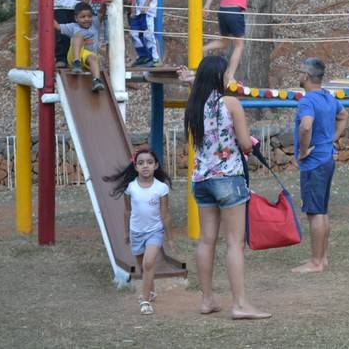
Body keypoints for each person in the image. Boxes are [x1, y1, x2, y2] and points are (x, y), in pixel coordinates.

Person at [184, 55, 270, 320]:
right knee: (234, 242)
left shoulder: (194, 105)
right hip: (229, 178)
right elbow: (245, 143)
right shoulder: (230, 103)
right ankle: (240, 304)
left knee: (206, 240)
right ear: (219, 76)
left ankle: (207, 299)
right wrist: (252, 142)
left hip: (201, 179)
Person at [291, 58, 348, 274]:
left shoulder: (307, 100)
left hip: (314, 163)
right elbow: (343, 116)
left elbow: (306, 126)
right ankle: (322, 259)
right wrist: (332, 137)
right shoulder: (327, 97)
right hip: (327, 159)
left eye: (299, 72)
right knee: (322, 211)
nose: (298, 75)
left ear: (306, 76)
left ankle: (315, 262)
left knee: (314, 212)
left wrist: (303, 151)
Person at [104, 148, 176, 315]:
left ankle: (144, 300)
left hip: (154, 231)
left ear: (156, 165)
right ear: (135, 167)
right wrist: (126, 232)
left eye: (150, 163)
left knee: (148, 263)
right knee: (143, 267)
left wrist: (170, 238)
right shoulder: (130, 188)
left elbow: (165, 215)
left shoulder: (161, 188)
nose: (145, 166)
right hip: (136, 232)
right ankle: (151, 290)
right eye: (141, 163)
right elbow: (127, 211)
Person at [202, 0, 280, 85]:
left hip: (222, 11)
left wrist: (207, 5)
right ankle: (229, 76)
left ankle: (202, 49)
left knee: (225, 42)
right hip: (234, 12)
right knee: (239, 46)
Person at [53, 1, 106, 92]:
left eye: (89, 16)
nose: (86, 19)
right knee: (79, 36)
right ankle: (76, 62)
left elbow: (101, 12)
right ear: (76, 18)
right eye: (82, 17)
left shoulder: (95, 24)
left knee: (93, 57)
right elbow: (57, 26)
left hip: (88, 59)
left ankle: (96, 80)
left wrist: (104, 3)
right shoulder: (73, 27)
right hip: (74, 56)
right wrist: (47, 12)